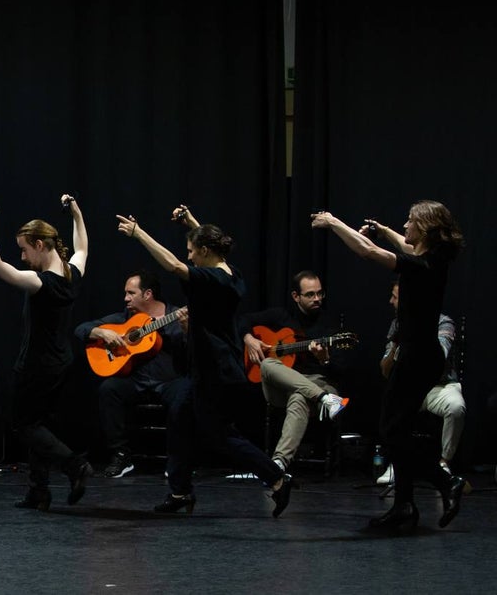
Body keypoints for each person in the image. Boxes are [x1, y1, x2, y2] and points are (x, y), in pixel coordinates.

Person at [116, 205, 291, 516]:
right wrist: (191, 222)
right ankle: (180, 492)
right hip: (209, 368)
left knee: (219, 435)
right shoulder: (230, 272)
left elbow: (172, 265)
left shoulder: (213, 280)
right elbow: (214, 252)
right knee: (180, 419)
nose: (189, 257)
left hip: (216, 370)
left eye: (192, 251)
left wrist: (137, 232)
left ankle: (276, 478)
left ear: (205, 251)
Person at [311, 201, 466, 531]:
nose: (405, 226)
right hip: (418, 355)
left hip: (417, 357)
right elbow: (404, 243)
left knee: (392, 431)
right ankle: (405, 506)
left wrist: (333, 221)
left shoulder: (422, 265)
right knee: (398, 429)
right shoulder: (431, 257)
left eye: (410, 221)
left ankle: (443, 481)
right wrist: (385, 231)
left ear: (424, 228)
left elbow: (367, 251)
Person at [0, 194, 91, 510]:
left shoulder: (42, 283)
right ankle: (38, 491)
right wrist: (77, 214)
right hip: (61, 362)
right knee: (41, 425)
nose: (23, 257)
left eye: (25, 249)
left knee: (24, 425)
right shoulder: (72, 274)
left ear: (41, 245)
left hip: (38, 365)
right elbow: (81, 248)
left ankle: (74, 465)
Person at [74, 271, 189, 478]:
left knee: (183, 394)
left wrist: (188, 331)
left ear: (148, 294)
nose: (125, 298)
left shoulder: (176, 316)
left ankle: (177, 458)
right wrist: (101, 332)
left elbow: (195, 352)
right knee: (109, 389)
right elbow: (81, 329)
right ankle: (121, 454)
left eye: (130, 293)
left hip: (168, 381)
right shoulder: (123, 319)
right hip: (135, 382)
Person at [240, 271, 351, 474]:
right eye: (310, 294)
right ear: (295, 296)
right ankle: (326, 399)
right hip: (280, 389)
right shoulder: (281, 316)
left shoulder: (330, 326)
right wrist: (249, 338)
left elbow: (341, 370)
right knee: (267, 364)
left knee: (299, 397)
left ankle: (278, 465)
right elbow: (241, 320)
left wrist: (324, 359)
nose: (317, 299)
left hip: (318, 382)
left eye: (320, 293)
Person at [375, 280, 465, 485]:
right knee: (392, 409)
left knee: (456, 407)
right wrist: (397, 344)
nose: (390, 301)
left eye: (395, 297)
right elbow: (385, 370)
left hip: (439, 385)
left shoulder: (442, 322)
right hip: (410, 386)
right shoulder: (397, 325)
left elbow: (437, 359)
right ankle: (397, 463)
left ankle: (444, 461)